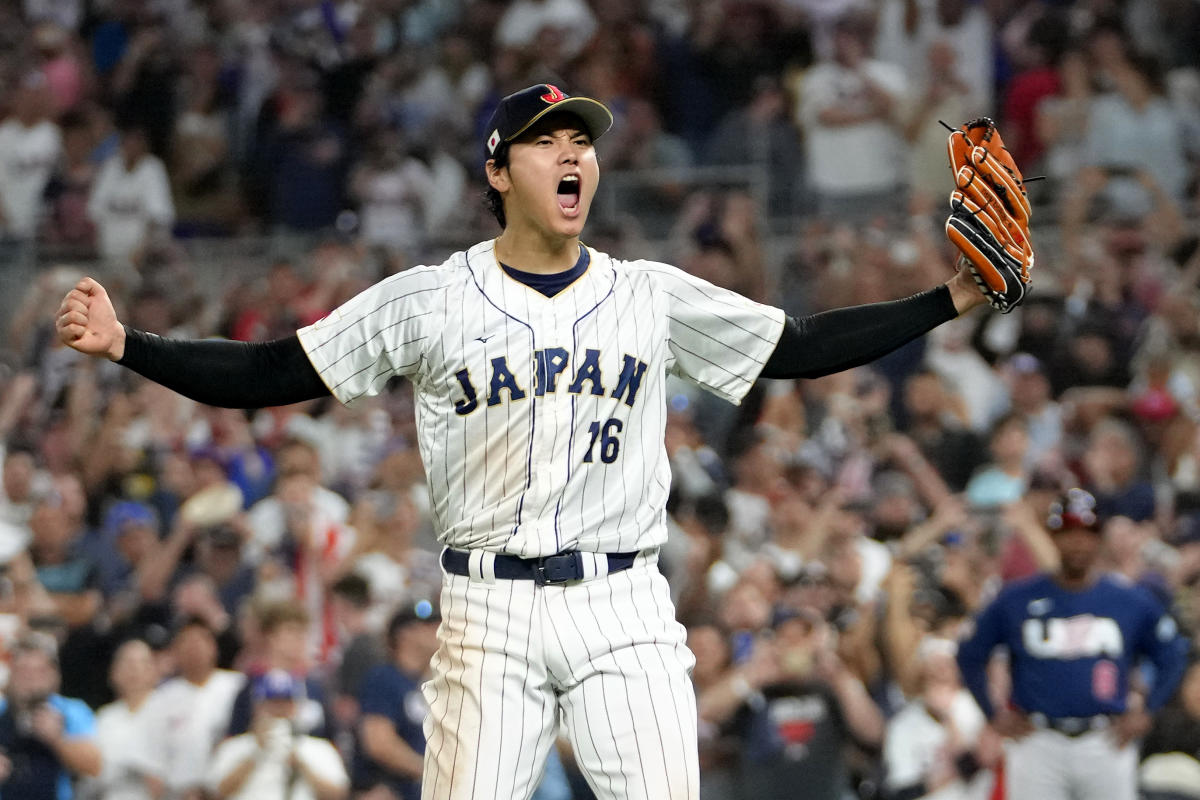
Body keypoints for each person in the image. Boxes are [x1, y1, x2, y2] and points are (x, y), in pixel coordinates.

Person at [58, 83, 998, 800]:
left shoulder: (646, 294)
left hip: (623, 604)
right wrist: (129, 346)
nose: (571, 154)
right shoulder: (428, 300)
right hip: (486, 611)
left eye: (582, 140)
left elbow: (798, 346)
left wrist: (951, 298)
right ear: (499, 172)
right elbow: (271, 372)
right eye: (547, 141)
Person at [956, 488, 1189, 800]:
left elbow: (1172, 653)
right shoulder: (1017, 598)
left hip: (1105, 738)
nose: (1078, 543)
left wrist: (1148, 711)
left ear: (1098, 538)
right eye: (1068, 532)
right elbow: (969, 654)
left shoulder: (1128, 600)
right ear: (1053, 536)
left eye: (1087, 533)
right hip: (1038, 739)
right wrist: (992, 712)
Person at [207, 669, 349, 800]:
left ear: (297, 707)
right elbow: (217, 793)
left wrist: (300, 762)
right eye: (272, 703)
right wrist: (256, 752)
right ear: (257, 706)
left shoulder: (319, 748)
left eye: (285, 703)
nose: (279, 710)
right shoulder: (234, 746)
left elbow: (338, 794)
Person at [354, 604, 441, 800]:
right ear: (404, 634)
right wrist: (430, 770)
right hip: (390, 789)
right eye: (428, 625)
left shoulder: (432, 683)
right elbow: (379, 743)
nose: (438, 630)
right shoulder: (384, 677)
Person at [0, 633, 103, 800]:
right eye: (23, 670)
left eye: (39, 671)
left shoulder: (71, 710)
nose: (30, 678)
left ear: (54, 675)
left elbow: (94, 766)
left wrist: (57, 740)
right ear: (11, 673)